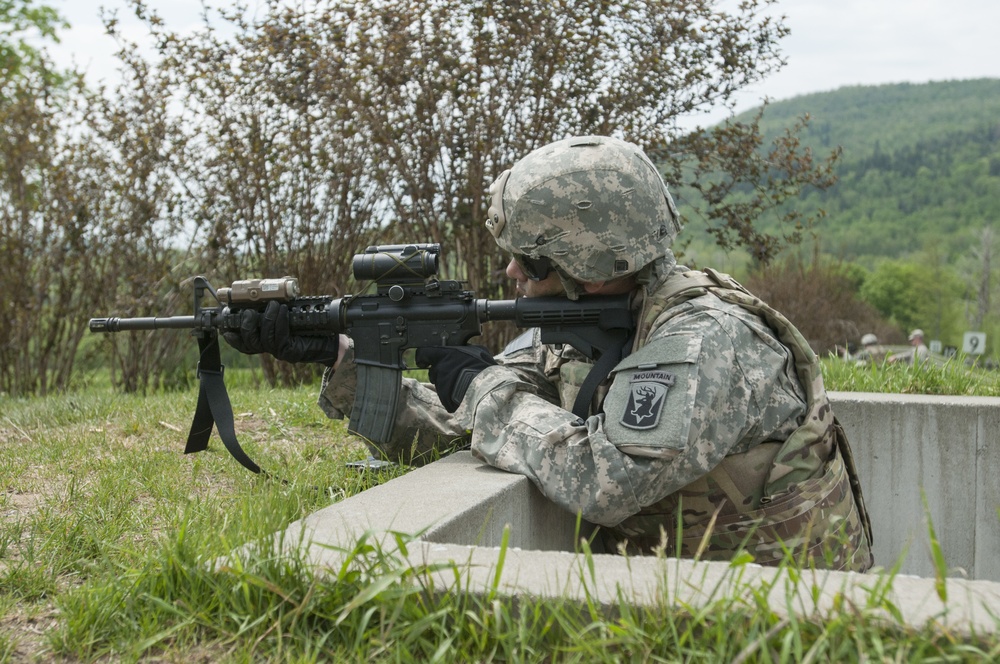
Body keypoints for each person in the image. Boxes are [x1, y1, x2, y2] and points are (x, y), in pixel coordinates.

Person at [224, 135, 874, 572]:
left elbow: (606, 481)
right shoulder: (588, 335)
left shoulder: (702, 338)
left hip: (792, 615)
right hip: (695, 598)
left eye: (527, 258)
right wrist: (341, 360)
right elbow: (468, 434)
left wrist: (482, 386)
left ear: (587, 263)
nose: (509, 273)